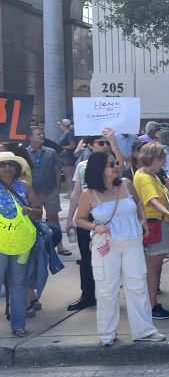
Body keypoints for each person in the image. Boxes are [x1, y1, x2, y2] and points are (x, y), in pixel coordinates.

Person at [74, 150, 165, 346]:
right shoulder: (88, 194)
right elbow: (78, 220)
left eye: (115, 163)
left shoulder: (126, 183)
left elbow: (139, 201)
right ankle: (107, 334)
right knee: (107, 288)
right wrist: (95, 226)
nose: (115, 166)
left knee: (137, 285)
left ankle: (144, 331)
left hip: (132, 241)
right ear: (98, 169)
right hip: (106, 244)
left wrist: (143, 221)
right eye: (110, 164)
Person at [64, 131, 128, 311]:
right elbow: (77, 193)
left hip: (108, 214)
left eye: (107, 143)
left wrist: (113, 140)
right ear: (90, 146)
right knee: (86, 258)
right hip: (88, 215)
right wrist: (70, 218)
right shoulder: (83, 166)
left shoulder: (112, 167)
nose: (105, 146)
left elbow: (121, 165)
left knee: (112, 255)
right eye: (101, 143)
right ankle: (88, 295)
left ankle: (111, 293)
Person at [133, 143, 169, 321]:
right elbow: (152, 200)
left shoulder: (147, 174)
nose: (164, 163)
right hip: (156, 224)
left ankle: (148, 302)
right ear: (155, 159)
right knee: (153, 268)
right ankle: (153, 305)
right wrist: (168, 212)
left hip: (156, 223)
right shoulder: (146, 178)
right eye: (162, 159)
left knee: (151, 267)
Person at [0, 151, 40, 337]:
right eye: (2, 164)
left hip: (22, 245)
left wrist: (29, 211)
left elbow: (39, 212)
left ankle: (18, 326)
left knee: (18, 284)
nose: (7, 168)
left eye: (11, 164)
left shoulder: (24, 186)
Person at [26, 126, 67, 255]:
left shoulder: (51, 152)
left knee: (53, 218)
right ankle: (39, 245)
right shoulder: (24, 152)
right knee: (36, 219)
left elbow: (57, 171)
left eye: (42, 133)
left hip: (50, 191)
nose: (42, 135)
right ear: (30, 137)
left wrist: (57, 189)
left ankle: (60, 246)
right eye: (38, 134)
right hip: (34, 192)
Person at [56, 118, 77, 197]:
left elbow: (72, 145)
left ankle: (73, 191)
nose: (59, 126)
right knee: (67, 175)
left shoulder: (70, 133)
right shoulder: (64, 134)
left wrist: (61, 147)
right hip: (64, 157)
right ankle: (70, 191)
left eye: (60, 124)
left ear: (64, 125)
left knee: (70, 175)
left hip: (69, 157)